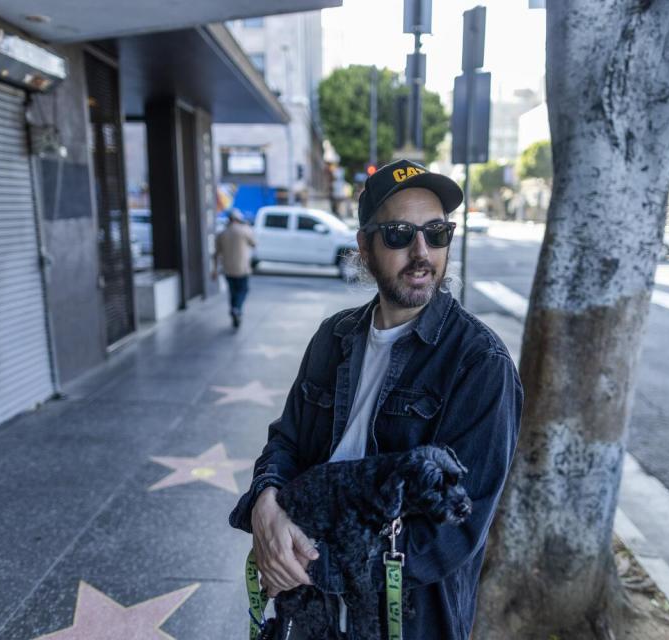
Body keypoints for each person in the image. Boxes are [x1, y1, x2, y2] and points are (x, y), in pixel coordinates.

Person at [229, 159, 523, 639]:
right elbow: (285, 442)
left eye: (437, 232)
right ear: (365, 248)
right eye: (400, 233)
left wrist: (307, 561)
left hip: (406, 620)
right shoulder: (334, 336)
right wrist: (264, 503)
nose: (422, 251)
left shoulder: (480, 363)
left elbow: (452, 531)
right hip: (308, 614)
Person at [213, 209, 256, 328]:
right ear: (238, 219)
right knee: (243, 290)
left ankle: (234, 310)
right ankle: (237, 309)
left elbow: (216, 254)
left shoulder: (222, 233)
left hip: (227, 269)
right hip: (242, 268)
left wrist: (214, 270)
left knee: (232, 292)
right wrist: (247, 227)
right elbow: (254, 243)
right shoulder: (244, 231)